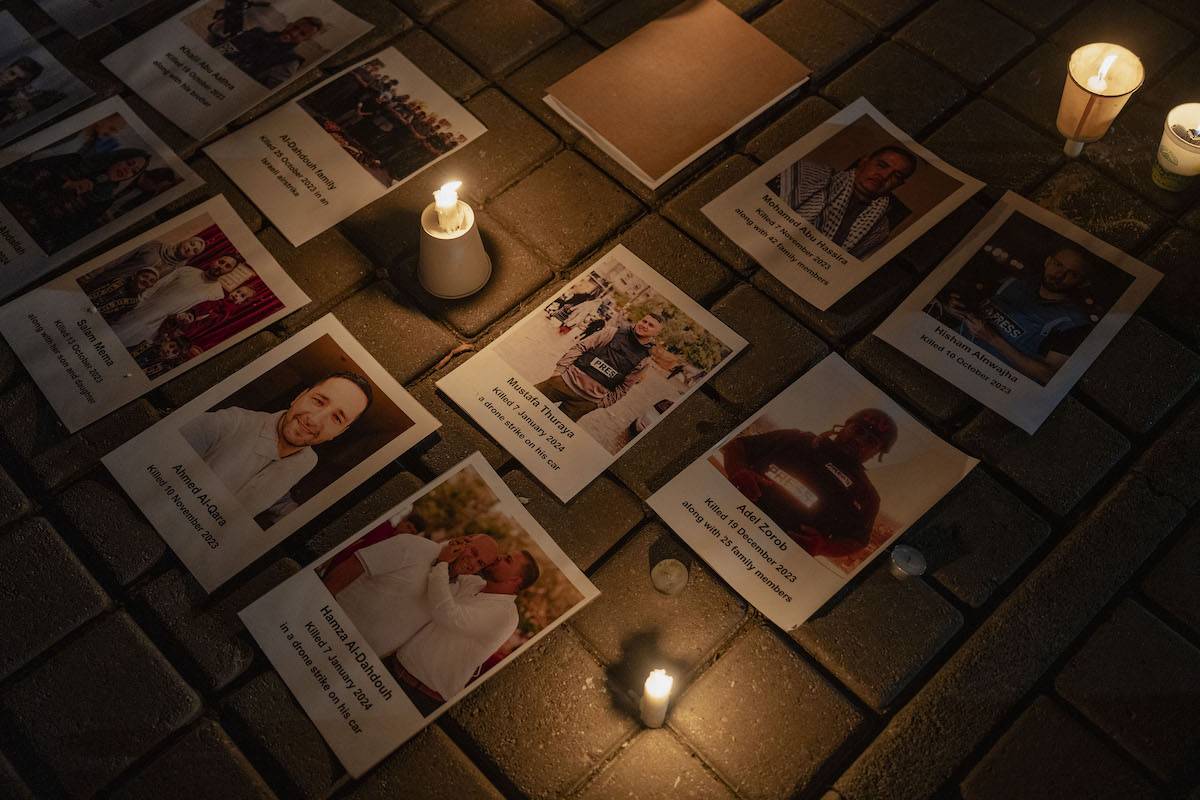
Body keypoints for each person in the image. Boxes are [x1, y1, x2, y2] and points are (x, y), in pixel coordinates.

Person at [179, 371, 373, 518]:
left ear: (340, 433)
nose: (314, 420)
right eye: (318, 401)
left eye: (337, 418)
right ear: (298, 397)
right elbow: (160, 453)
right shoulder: (229, 422)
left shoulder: (308, 461)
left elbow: (273, 492)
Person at [718, 408, 898, 557]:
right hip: (726, 517)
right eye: (859, 430)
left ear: (877, 452)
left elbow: (857, 541)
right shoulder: (798, 439)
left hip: (775, 554)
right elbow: (738, 446)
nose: (860, 440)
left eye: (871, 441)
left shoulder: (867, 496)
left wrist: (824, 547)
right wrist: (738, 470)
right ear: (845, 426)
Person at [320, 532, 499, 658]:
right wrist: (315, 607)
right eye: (474, 553)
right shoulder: (413, 545)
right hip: (324, 633)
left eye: (480, 563)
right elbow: (355, 564)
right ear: (464, 541)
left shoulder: (452, 591)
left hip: (357, 662)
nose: (472, 563)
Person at [936, 246, 1094, 385]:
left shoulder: (1073, 323)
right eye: (1058, 264)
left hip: (986, 382)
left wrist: (993, 339)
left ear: (1082, 282)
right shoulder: (1012, 282)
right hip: (945, 355)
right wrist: (954, 309)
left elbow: (1049, 376)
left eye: (1072, 274)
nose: (1059, 275)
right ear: (1048, 261)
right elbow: (974, 313)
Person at [396, 549, 540, 701]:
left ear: (516, 580)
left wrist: (441, 564)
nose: (499, 557)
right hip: (396, 665)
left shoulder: (506, 615)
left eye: (507, 559)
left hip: (420, 694)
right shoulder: (474, 582)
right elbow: (444, 581)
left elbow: (447, 614)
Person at [767, 145, 919, 259]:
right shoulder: (809, 175)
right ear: (864, 161)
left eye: (896, 176)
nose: (884, 175)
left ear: (899, 185)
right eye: (882, 165)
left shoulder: (880, 228)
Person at [533, 313, 665, 422]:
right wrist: (559, 372)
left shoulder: (645, 360)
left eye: (651, 325)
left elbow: (624, 388)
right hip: (563, 382)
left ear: (656, 333)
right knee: (525, 404)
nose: (644, 325)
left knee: (551, 431)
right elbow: (580, 347)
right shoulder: (613, 332)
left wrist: (600, 403)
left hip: (585, 402)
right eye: (644, 321)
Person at [109, 255, 240, 348]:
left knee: (122, 349)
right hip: (141, 310)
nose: (221, 266)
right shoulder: (187, 270)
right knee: (110, 337)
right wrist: (137, 302)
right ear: (215, 260)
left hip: (157, 327)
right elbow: (157, 285)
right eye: (221, 262)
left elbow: (195, 317)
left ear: (230, 271)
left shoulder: (218, 294)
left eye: (227, 266)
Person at [215, 16, 324, 88]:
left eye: (302, 34)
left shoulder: (290, 61)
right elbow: (223, 50)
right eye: (295, 27)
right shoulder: (257, 33)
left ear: (306, 40)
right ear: (289, 24)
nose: (294, 33)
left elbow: (264, 89)